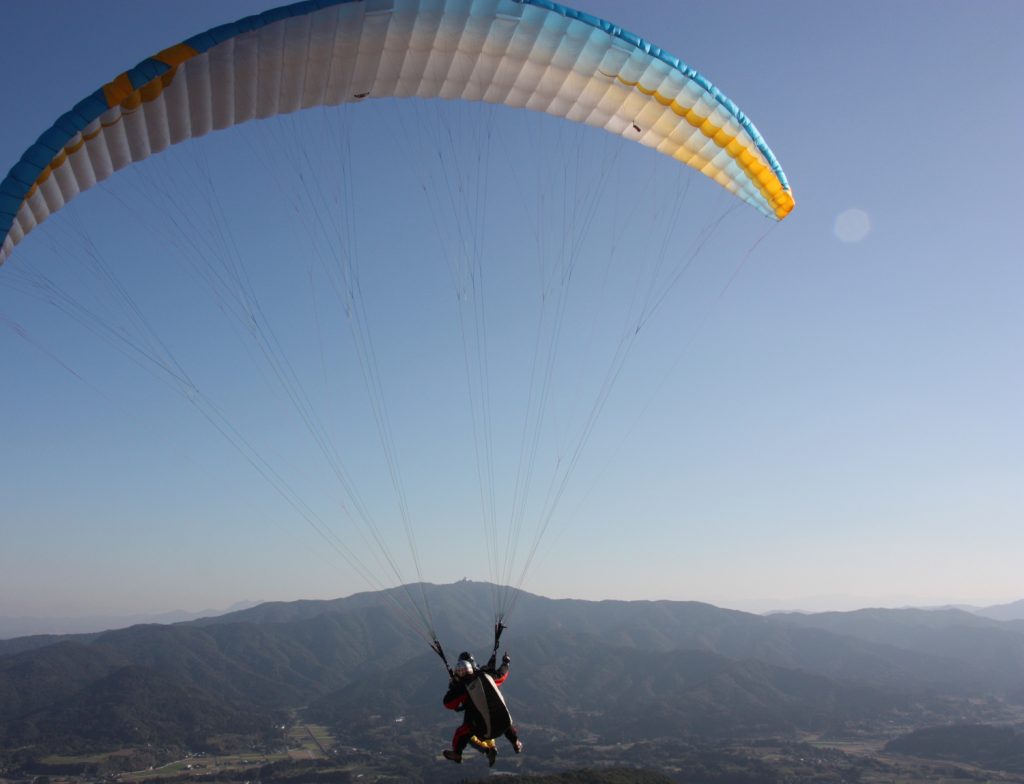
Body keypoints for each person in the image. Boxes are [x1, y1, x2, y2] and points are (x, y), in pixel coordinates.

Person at [442, 650, 523, 765]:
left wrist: (453, 687)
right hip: (505, 724)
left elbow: (448, 704)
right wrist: (506, 663)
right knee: (500, 716)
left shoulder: (463, 686)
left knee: (462, 732)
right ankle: (516, 743)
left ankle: (457, 754)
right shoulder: (487, 675)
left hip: (486, 732)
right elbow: (502, 675)